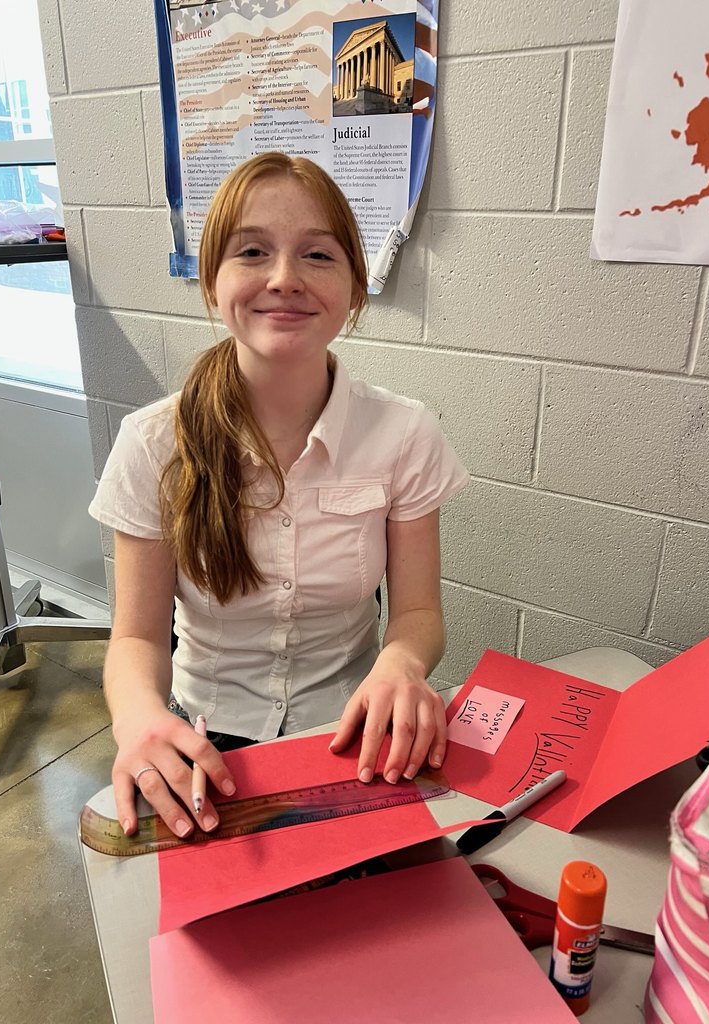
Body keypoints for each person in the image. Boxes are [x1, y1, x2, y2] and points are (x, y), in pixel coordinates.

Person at [89, 152, 469, 841]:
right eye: (253, 251)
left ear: (356, 287)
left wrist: (402, 664)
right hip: (204, 745)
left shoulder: (406, 433)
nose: (285, 279)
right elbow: (138, 637)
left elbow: (416, 611)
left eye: (318, 255)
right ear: (212, 281)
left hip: (353, 739)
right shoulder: (152, 444)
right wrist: (140, 718)